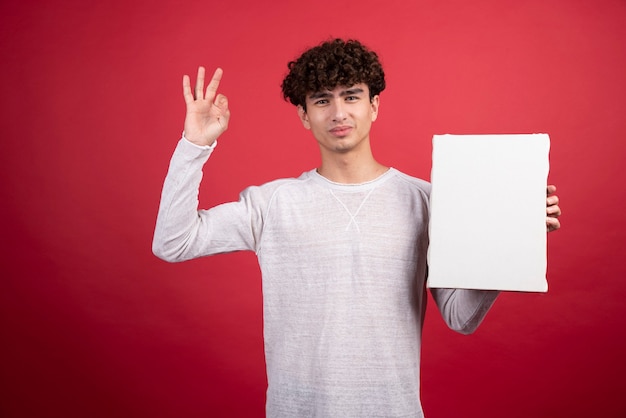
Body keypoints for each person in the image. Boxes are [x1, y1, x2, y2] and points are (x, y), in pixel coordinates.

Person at [153, 39, 561, 417]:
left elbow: (460, 317)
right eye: (321, 100)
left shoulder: (427, 201)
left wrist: (513, 237)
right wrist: (194, 145)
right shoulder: (271, 204)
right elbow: (173, 241)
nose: (339, 113)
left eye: (351, 96)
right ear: (303, 114)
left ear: (374, 105)